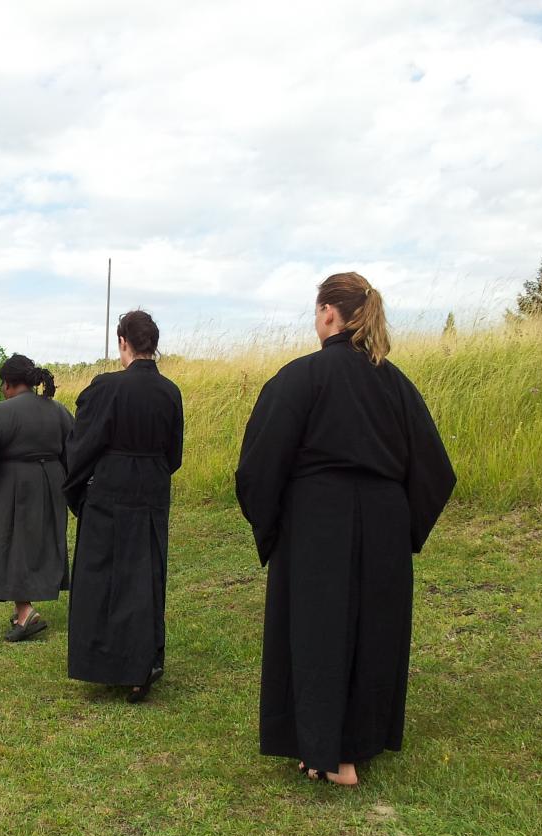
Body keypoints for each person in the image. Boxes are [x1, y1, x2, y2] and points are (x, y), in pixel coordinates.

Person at [235, 272, 456, 786]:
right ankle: (353, 745)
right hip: (384, 518)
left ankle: (327, 754)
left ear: (329, 313)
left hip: (317, 520)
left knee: (318, 630)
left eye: (317, 312)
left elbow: (258, 466)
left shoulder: (301, 378)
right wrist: (403, 528)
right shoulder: (396, 383)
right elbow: (436, 471)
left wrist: (274, 524)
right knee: (372, 629)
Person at [64, 310, 184, 703]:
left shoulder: (105, 388)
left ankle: (106, 663)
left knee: (102, 577)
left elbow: (82, 446)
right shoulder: (170, 392)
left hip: (110, 491)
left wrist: (78, 489)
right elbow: (174, 454)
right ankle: (139, 669)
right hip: (150, 490)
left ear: (123, 343)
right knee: (143, 578)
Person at [0, 354, 74, 640]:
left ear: (9, 383)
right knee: (41, 543)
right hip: (52, 485)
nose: (1, 389)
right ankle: (25, 607)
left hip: (14, 487)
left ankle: (25, 613)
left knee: (12, 547)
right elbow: (76, 453)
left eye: (2, 384)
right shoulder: (59, 411)